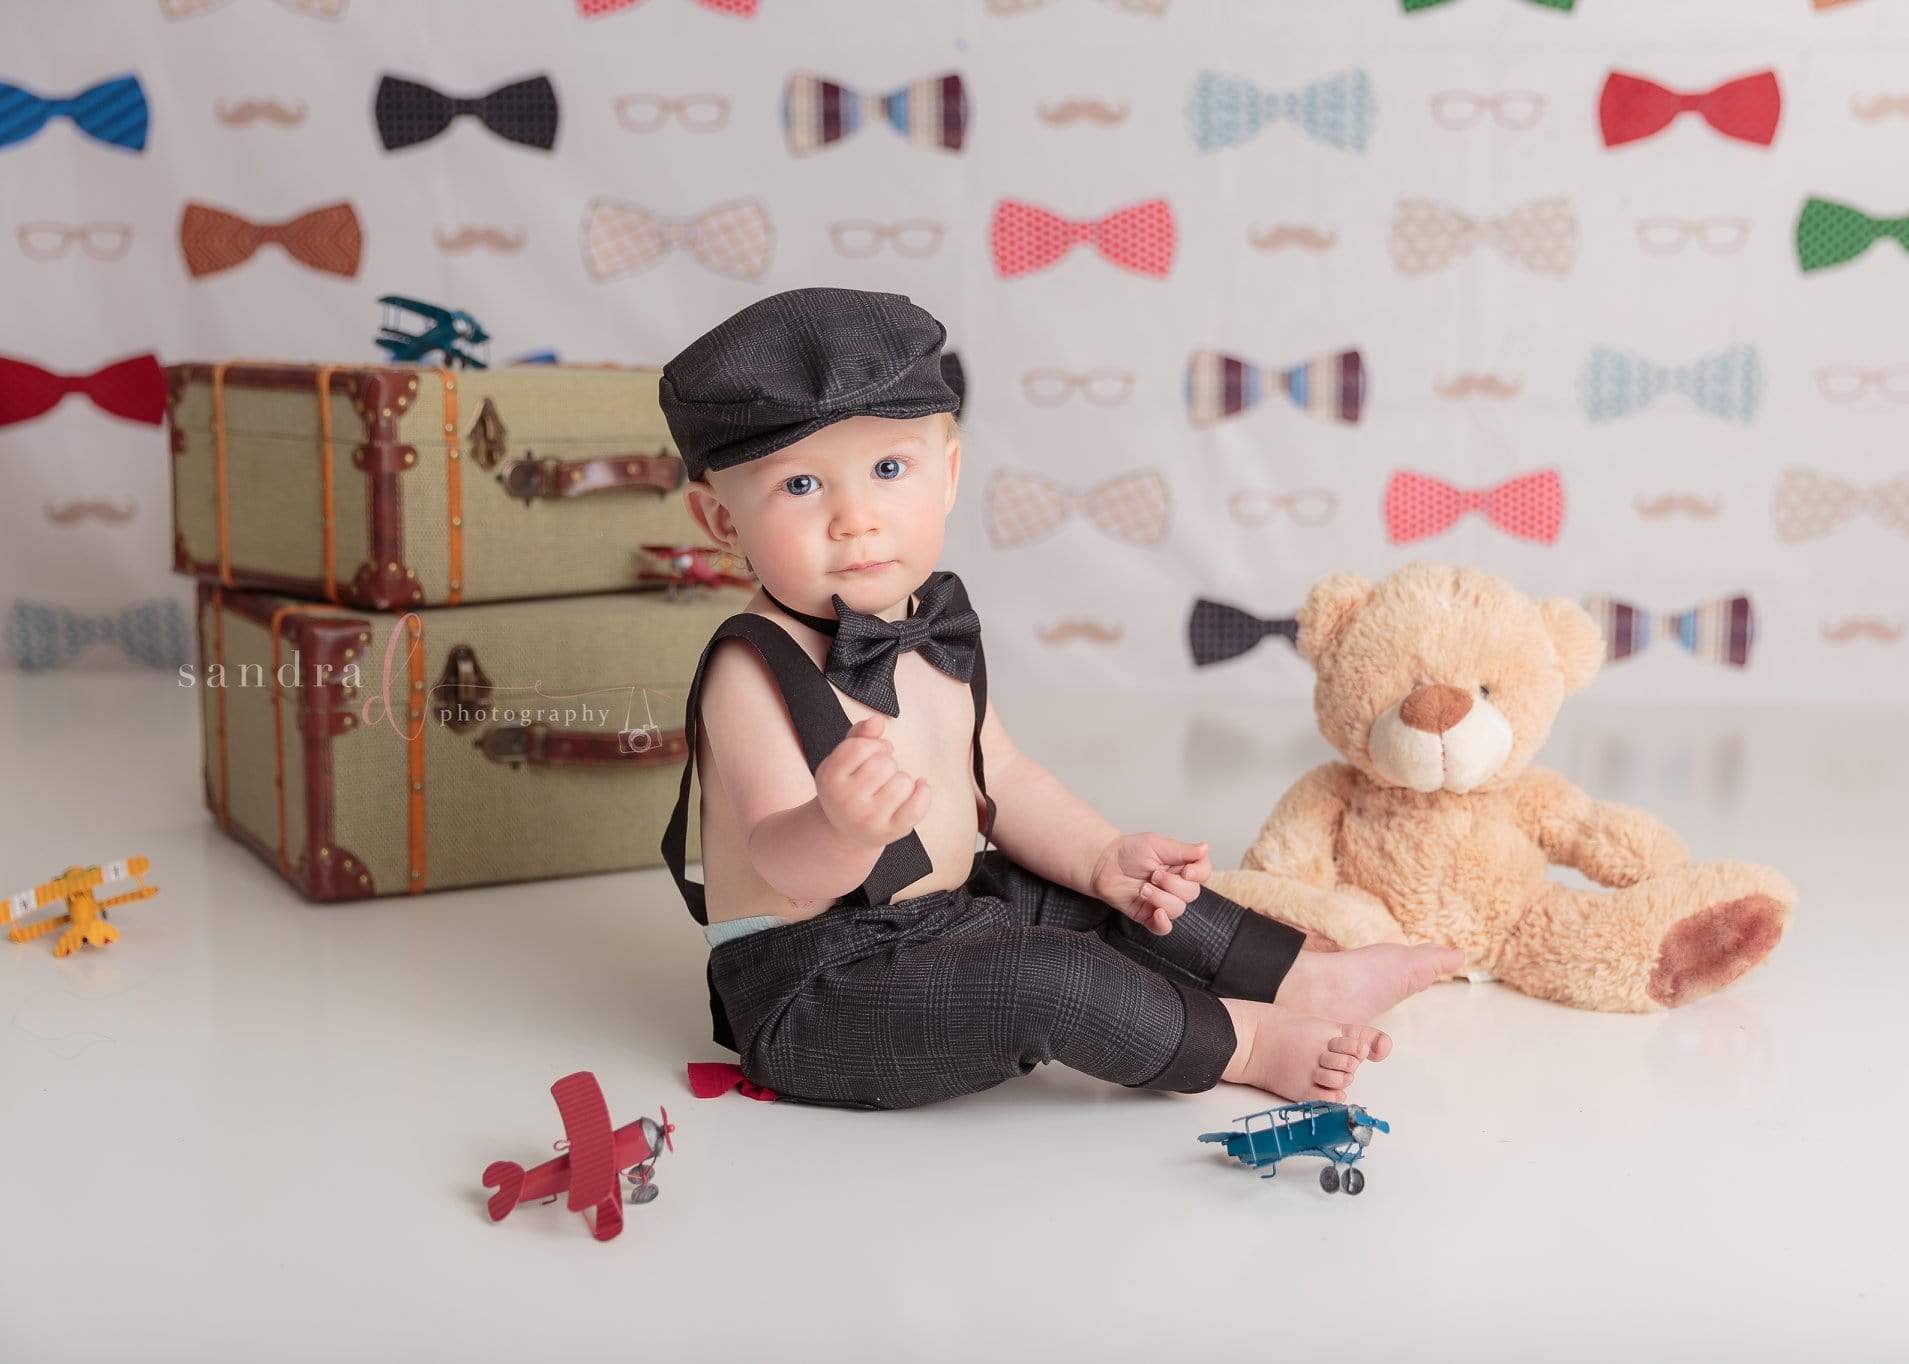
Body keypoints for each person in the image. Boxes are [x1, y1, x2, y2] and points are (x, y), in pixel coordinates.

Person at [657, 286, 1460, 1111]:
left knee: (1108, 892)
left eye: (888, 469)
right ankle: (1242, 1040)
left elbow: (996, 778)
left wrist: (1102, 857)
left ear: (948, 474)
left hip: (943, 917)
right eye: (798, 486)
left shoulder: (934, 624)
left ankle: (1299, 977)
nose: (854, 519)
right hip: (821, 988)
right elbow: (777, 866)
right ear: (720, 522)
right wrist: (836, 828)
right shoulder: (749, 669)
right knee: (1049, 976)